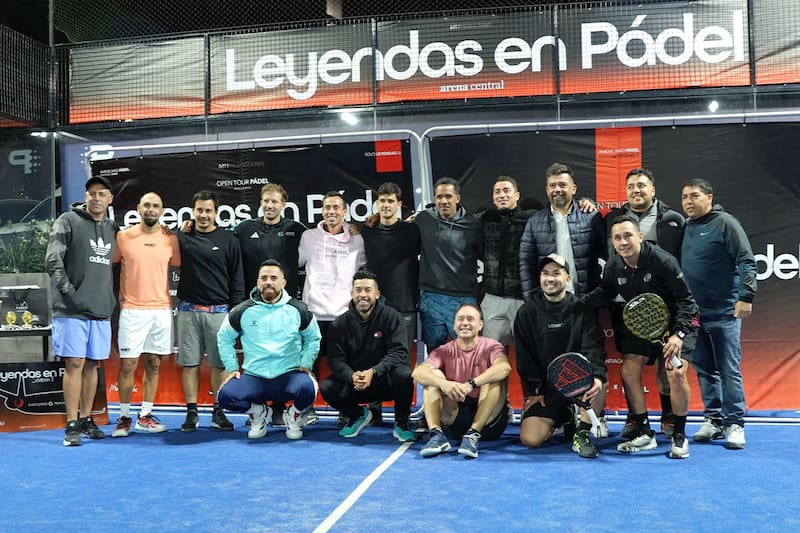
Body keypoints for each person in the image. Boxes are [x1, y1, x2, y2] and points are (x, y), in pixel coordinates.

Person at [584, 215, 699, 459]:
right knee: (628, 370)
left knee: (675, 373)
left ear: (639, 236)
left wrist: (678, 335)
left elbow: (687, 302)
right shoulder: (614, 267)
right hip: (642, 324)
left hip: (677, 322)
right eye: (617, 238)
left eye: (628, 235)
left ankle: (679, 435)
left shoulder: (662, 260)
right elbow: (603, 293)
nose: (623, 241)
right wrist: (572, 304)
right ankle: (644, 432)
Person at [604, 168, 685, 439]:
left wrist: (679, 327)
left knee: (668, 369)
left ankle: (670, 417)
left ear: (652, 189)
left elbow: (682, 273)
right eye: (630, 186)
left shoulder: (673, 219)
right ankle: (637, 420)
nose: (636, 190)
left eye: (641, 186)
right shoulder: (613, 219)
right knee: (630, 366)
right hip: (628, 307)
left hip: (666, 307)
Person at [680, 178, 756, 450]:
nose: (689, 201)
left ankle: (735, 423)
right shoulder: (686, 226)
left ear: (709, 198)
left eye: (695, 196)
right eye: (685, 197)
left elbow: (746, 260)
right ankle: (713, 420)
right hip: (695, 316)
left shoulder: (726, 223)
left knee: (728, 370)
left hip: (724, 312)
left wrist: (746, 296)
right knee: (705, 370)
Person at [45, 176, 117, 446]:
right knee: (74, 363)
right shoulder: (67, 221)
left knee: (91, 366)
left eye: (102, 194)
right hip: (71, 309)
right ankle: (71, 423)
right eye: (92, 193)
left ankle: (87, 419)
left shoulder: (112, 228)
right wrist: (71, 294)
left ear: (110, 199)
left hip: (100, 309)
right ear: (86, 197)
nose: (96, 198)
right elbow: (53, 259)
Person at [513, 253, 607, 459]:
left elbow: (594, 349)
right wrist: (534, 391)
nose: (550, 278)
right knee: (531, 440)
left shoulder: (582, 309)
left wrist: (597, 377)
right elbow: (524, 357)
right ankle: (566, 416)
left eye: (556, 273)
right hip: (547, 392)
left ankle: (582, 432)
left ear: (567, 279)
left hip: (580, 385)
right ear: (539, 278)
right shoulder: (527, 313)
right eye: (545, 273)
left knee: (600, 382)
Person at [216, 260, 321, 440]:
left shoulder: (298, 309)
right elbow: (224, 338)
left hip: (289, 376)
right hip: (255, 377)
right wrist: (232, 368)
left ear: (283, 282)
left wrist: (306, 363)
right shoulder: (242, 310)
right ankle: (259, 414)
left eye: (274, 278)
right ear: (257, 282)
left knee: (309, 388)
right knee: (225, 396)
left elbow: (313, 338)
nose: (268, 282)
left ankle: (293, 415)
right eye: (264, 278)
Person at [232, 182, 306, 425]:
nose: (270, 205)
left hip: (286, 305)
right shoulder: (243, 228)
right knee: (258, 356)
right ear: (260, 203)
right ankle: (260, 407)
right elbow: (220, 239)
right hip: (254, 306)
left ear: (283, 205)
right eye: (266, 201)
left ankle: (287, 406)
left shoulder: (298, 229)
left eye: (275, 201)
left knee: (285, 353)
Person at [111, 192, 181, 437]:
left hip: (161, 310)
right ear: (139, 208)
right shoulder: (123, 237)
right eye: (147, 205)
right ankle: (123, 417)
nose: (151, 209)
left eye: (156, 206)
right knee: (128, 365)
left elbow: (178, 265)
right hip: (132, 311)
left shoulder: (170, 239)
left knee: (153, 363)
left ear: (162, 211)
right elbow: (108, 266)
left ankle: (145, 416)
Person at [176, 190, 244, 432]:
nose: (203, 215)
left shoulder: (229, 240)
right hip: (187, 310)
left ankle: (219, 411)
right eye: (199, 210)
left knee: (219, 365)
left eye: (208, 210)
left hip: (220, 312)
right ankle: (191, 412)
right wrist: (181, 229)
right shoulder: (181, 237)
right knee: (190, 364)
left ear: (216, 213)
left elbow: (237, 279)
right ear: (192, 211)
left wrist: (234, 314)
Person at [321, 271, 415, 441]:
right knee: (327, 386)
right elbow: (335, 360)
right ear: (352, 293)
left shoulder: (391, 316)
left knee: (404, 374)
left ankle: (402, 422)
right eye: (358, 290)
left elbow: (399, 352)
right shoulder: (339, 324)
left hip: (385, 380)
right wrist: (351, 376)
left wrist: (374, 371)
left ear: (377, 294)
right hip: (356, 384)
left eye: (367, 290)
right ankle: (357, 415)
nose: (362, 295)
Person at [298, 191, 367, 424]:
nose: (331, 212)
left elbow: (363, 274)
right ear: (322, 211)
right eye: (327, 207)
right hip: (313, 314)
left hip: (344, 315)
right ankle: (306, 409)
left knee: (344, 367)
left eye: (336, 207)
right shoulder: (308, 237)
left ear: (344, 212)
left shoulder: (357, 240)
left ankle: (346, 409)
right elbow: (293, 264)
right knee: (309, 365)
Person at [412, 304, 511, 459]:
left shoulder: (492, 346)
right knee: (433, 376)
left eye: (470, 319)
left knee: (493, 378)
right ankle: (436, 435)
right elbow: (418, 373)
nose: (465, 323)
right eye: (460, 319)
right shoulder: (444, 350)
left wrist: (470, 384)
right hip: (454, 420)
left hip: (488, 423)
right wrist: (444, 383)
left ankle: (473, 434)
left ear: (480, 325)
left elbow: (504, 367)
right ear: (454, 325)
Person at [360, 182, 421, 424]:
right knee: (374, 359)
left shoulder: (412, 231)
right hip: (376, 307)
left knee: (402, 365)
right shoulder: (367, 231)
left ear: (398, 205)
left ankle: (402, 415)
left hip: (405, 304)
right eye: (382, 201)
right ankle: (373, 410)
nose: (386, 205)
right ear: (377, 204)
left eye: (390, 201)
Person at [414, 178, 483, 352]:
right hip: (431, 297)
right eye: (439, 197)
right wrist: (375, 218)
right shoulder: (423, 219)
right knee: (434, 352)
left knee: (468, 351)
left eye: (448, 196)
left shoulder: (474, 224)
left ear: (457, 198)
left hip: (464, 298)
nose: (443, 201)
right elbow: (400, 230)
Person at [519, 162, 606, 300]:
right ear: (547, 190)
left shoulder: (592, 217)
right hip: (550, 300)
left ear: (573, 189)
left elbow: (608, 256)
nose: (557, 189)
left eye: (563, 185)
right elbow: (526, 264)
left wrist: (601, 294)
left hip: (588, 298)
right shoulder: (534, 222)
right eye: (552, 185)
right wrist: (530, 300)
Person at [480, 176, 536, 348]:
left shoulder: (532, 219)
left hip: (522, 298)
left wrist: (584, 202)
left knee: (527, 355)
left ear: (517, 195)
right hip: (492, 298)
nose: (502, 195)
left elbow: (558, 212)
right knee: (492, 357)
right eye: (497, 191)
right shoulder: (484, 219)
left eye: (506, 190)